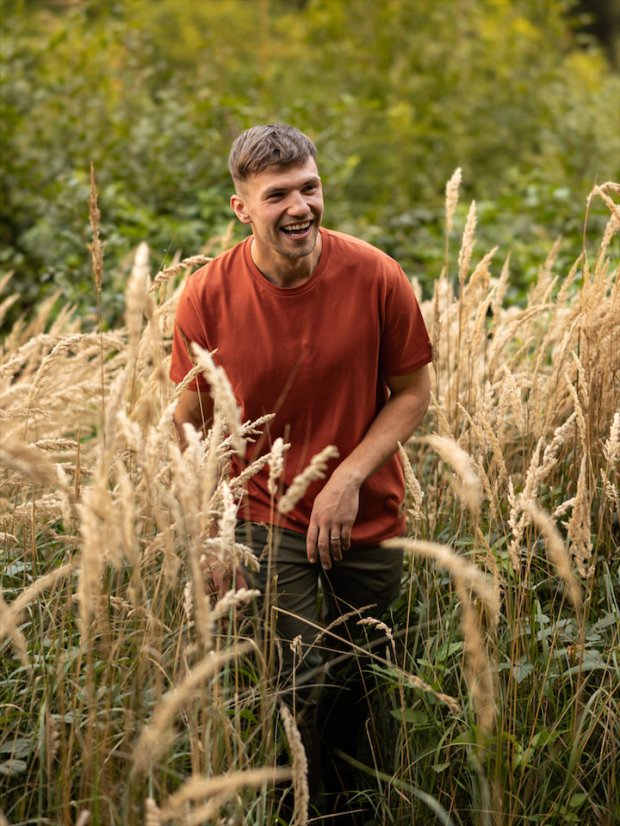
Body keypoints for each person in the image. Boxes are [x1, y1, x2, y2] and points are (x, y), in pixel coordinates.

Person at [170, 123, 432, 823]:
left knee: (360, 684)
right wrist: (208, 533)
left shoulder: (375, 274)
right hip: (263, 513)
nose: (300, 207)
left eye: (310, 188)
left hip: (369, 512)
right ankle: (298, 812)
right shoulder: (206, 296)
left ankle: (353, 811)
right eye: (278, 194)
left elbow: (412, 392)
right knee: (296, 683)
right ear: (242, 208)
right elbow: (188, 423)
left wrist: (346, 478)